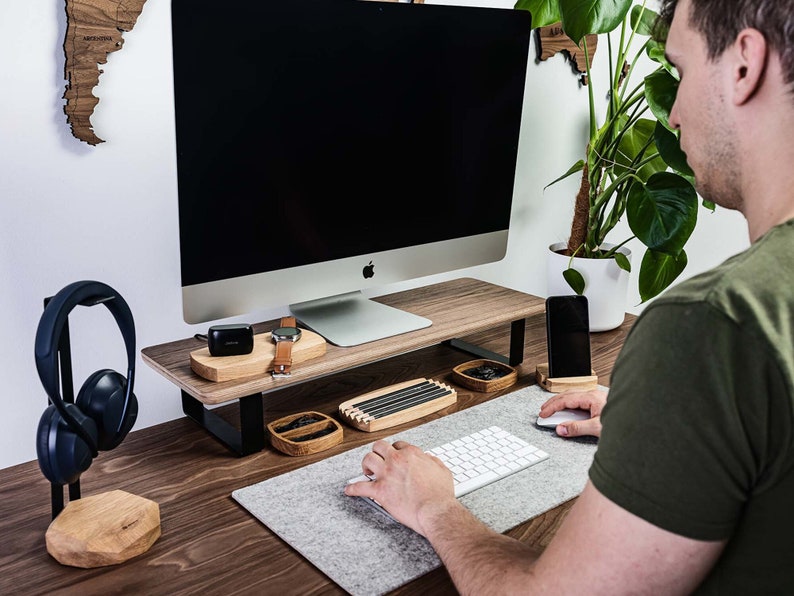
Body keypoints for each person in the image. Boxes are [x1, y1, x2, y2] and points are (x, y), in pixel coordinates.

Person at [345, 0, 794, 592]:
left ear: (744, 65)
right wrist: (665, 421)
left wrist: (434, 506)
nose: (675, 112)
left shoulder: (714, 325)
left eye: (680, 72)